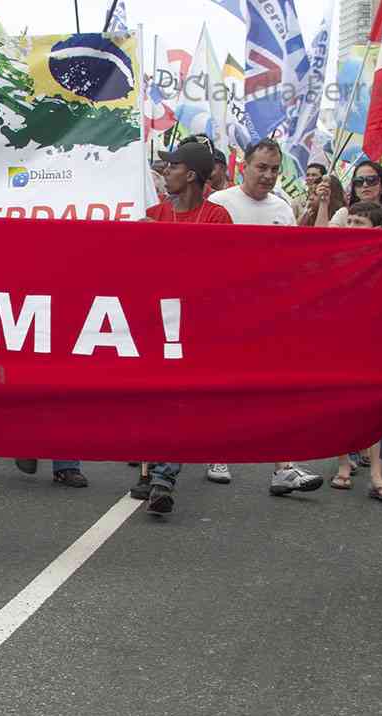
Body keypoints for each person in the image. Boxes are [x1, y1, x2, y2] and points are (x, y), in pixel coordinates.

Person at [209, 139, 325, 496]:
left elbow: (289, 262)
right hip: (225, 312)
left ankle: (283, 468)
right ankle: (217, 453)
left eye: (274, 169)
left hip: (269, 313)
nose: (269, 175)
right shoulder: (219, 203)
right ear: (244, 166)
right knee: (224, 387)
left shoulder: (283, 208)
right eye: (262, 167)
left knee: (278, 389)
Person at [136, 140, 232, 515]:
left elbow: (216, 270)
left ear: (190, 174)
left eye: (171, 166)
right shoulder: (152, 214)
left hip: (194, 325)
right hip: (152, 322)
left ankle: (164, 476)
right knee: (153, 400)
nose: (165, 172)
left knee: (178, 401)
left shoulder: (217, 217)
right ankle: (154, 468)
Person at [325, 201, 382, 504]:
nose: (353, 227)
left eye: (360, 223)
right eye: (351, 221)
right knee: (341, 404)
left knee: (374, 407)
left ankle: (377, 475)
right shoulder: (337, 256)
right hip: (340, 338)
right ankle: (344, 465)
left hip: (373, 339)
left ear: (378, 229)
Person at [329, 160, 382, 228]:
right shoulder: (344, 214)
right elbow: (328, 239)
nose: (365, 185)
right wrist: (323, 203)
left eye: (371, 180)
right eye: (359, 181)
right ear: (354, 188)